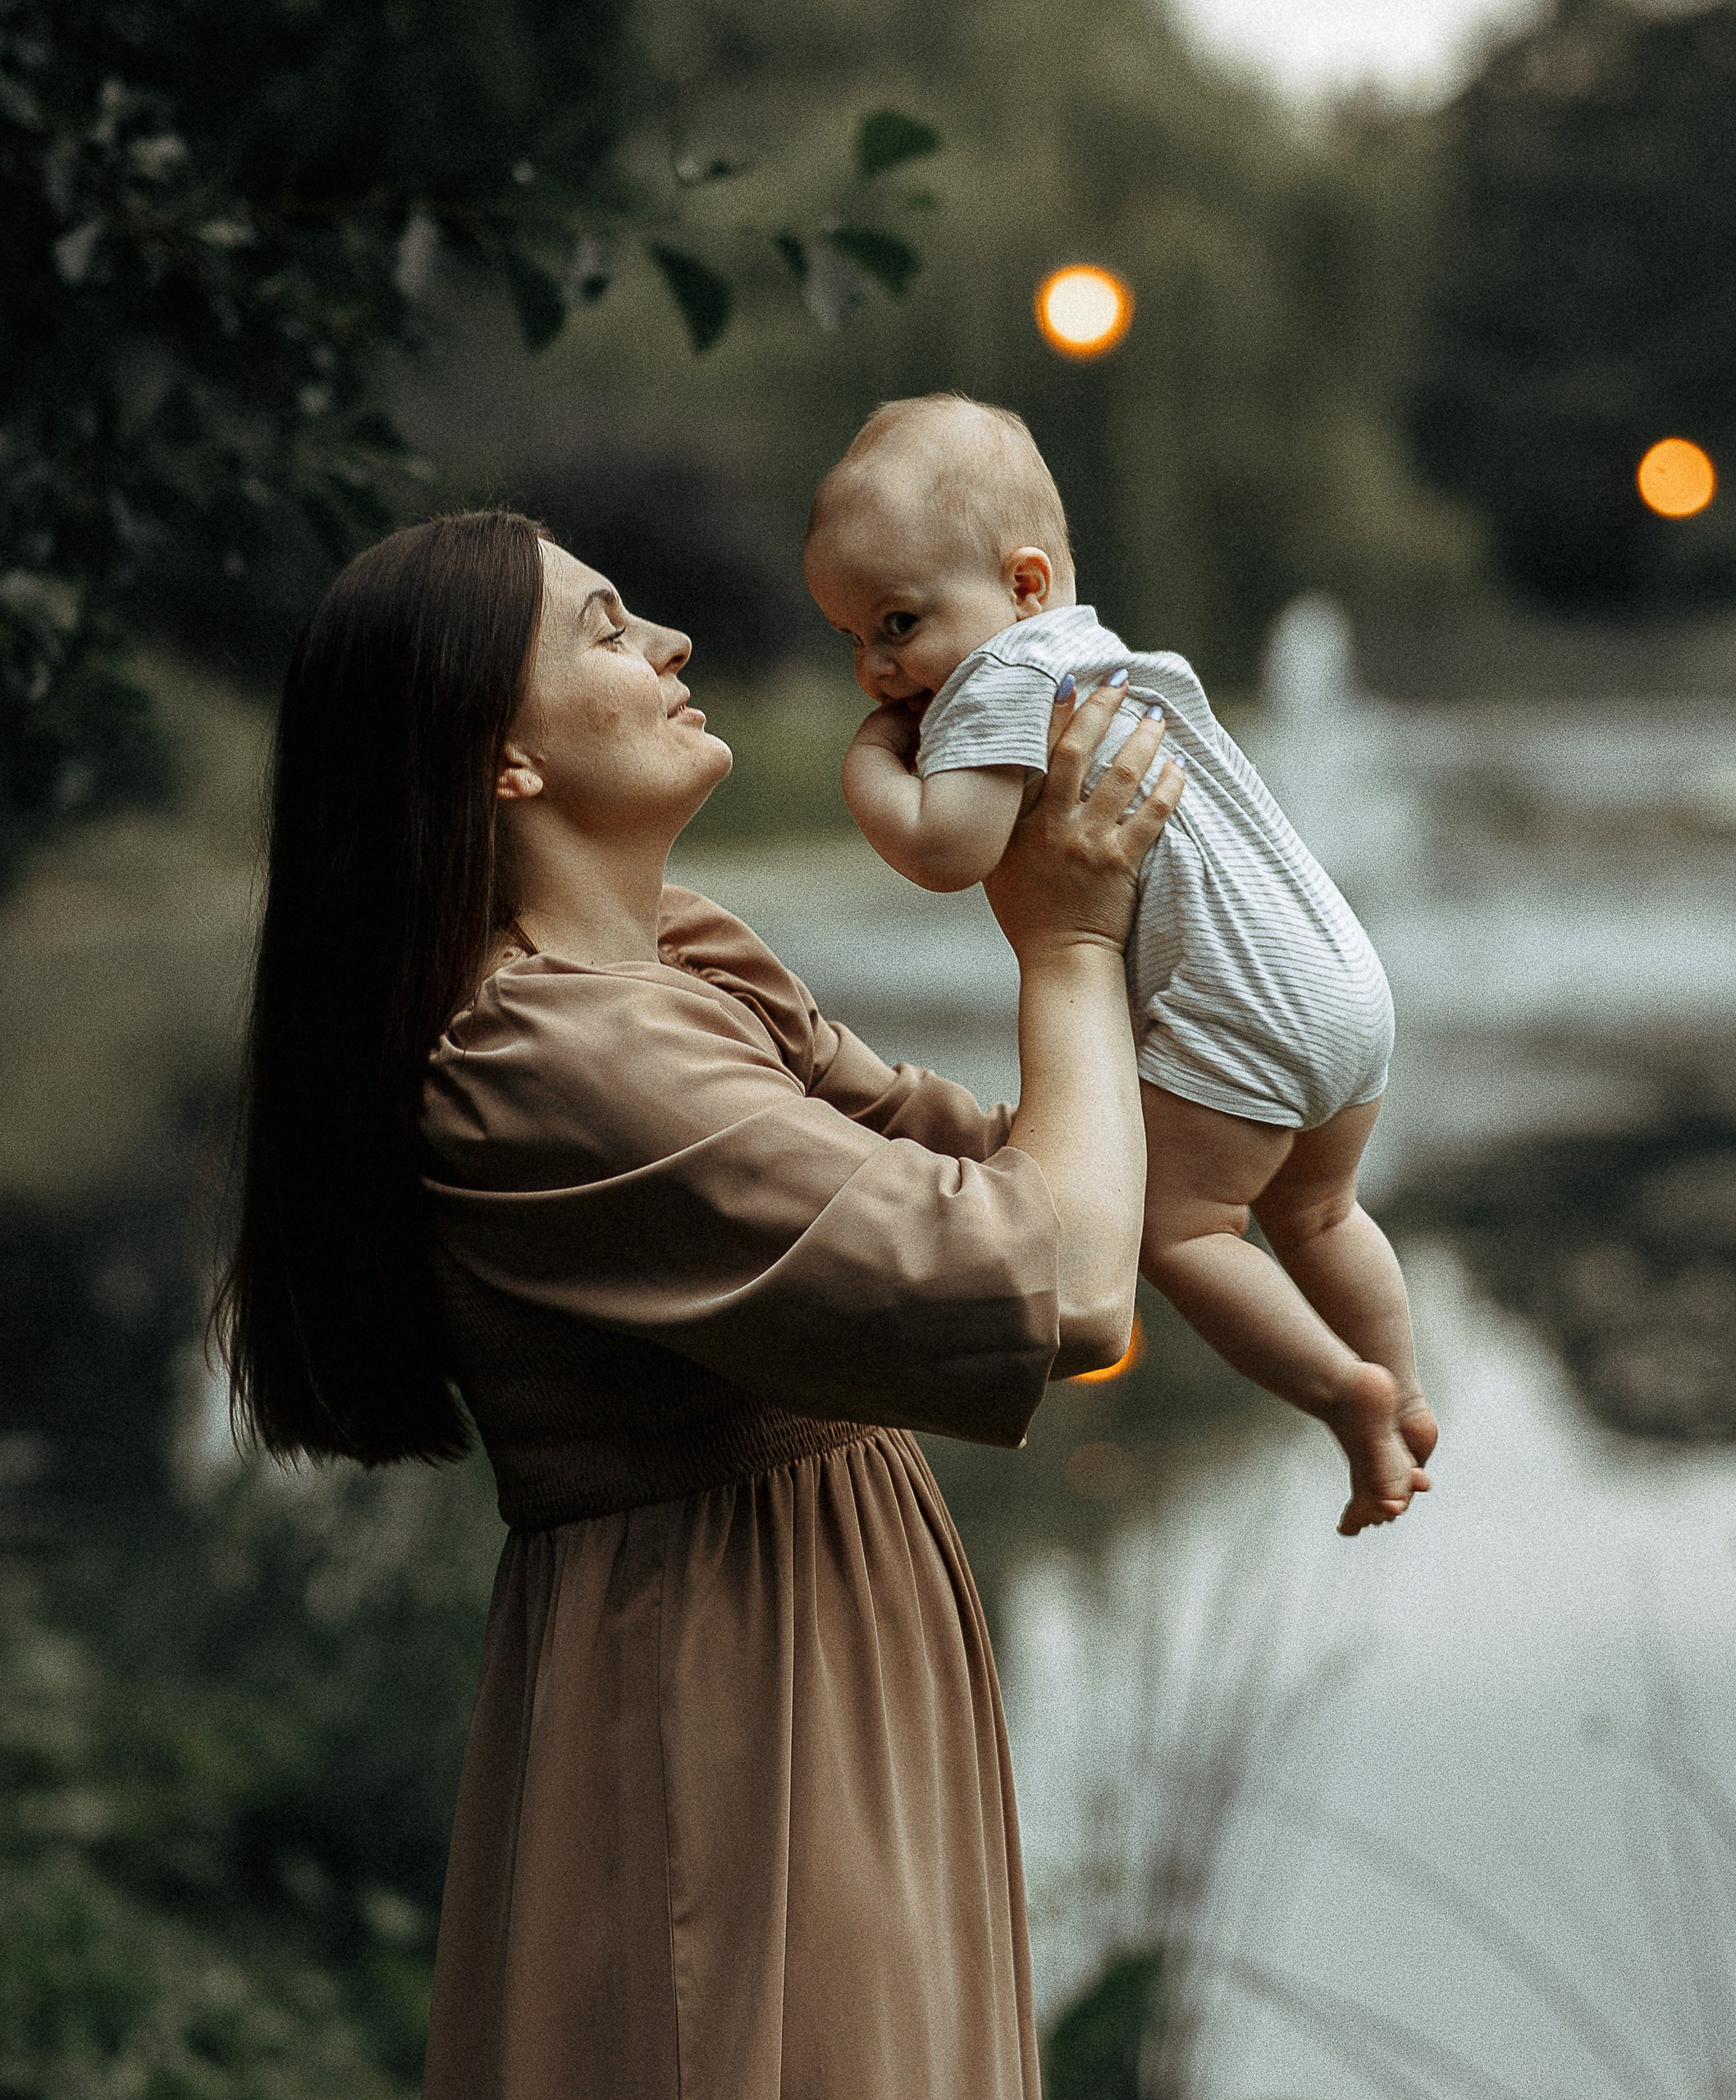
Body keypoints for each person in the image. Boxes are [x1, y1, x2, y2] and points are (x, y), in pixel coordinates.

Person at [214, 508, 1183, 2098]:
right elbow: (1060, 1282)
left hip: (824, 1679)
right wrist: (1063, 938)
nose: (667, 641)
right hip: (730, 1714)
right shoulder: (542, 1060)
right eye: (601, 629)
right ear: (498, 758)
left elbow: (1042, 1176)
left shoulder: (680, 968)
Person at [803, 394, 1439, 1536]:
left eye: (898, 624)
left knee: (1185, 1234)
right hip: (1343, 989)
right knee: (1325, 1213)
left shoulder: (1000, 681)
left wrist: (865, 774)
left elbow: (948, 851)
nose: (877, 672)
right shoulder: (1105, 661)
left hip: (1239, 1018)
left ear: (1026, 584)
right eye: (852, 640)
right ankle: (1409, 1390)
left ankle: (1347, 1395)